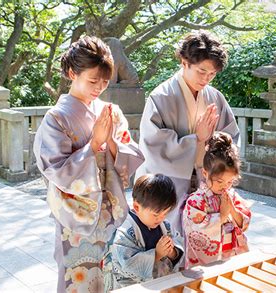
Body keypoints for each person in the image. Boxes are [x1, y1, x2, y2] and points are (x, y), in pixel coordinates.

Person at [33, 36, 144, 292]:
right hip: (75, 215)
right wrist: (94, 144)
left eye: (105, 82)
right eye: (93, 81)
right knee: (77, 278)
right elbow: (56, 170)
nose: (99, 88)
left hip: (109, 211)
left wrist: (111, 144)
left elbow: (129, 151)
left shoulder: (111, 111)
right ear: (73, 73)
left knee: (110, 275)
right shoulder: (57, 118)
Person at [135, 30, 240, 235]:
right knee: (168, 243)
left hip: (207, 182)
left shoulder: (215, 97)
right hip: (168, 186)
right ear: (184, 62)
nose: (206, 79)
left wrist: (216, 152)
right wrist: (197, 140)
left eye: (212, 74)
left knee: (205, 240)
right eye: (202, 71)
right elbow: (154, 146)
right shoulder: (161, 97)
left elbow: (231, 139)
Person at [182, 132, 251, 269]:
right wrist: (222, 216)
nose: (225, 186)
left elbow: (244, 222)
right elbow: (194, 232)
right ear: (205, 173)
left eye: (230, 181)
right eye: (220, 181)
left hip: (231, 253)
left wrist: (232, 209)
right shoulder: (195, 201)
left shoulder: (231, 196)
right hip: (207, 262)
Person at [103, 174, 184, 290]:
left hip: (159, 282)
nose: (161, 218)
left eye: (165, 214)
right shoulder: (126, 229)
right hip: (133, 287)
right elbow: (127, 264)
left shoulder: (165, 225)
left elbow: (178, 241)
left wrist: (172, 252)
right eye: (156, 214)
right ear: (136, 207)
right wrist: (157, 254)